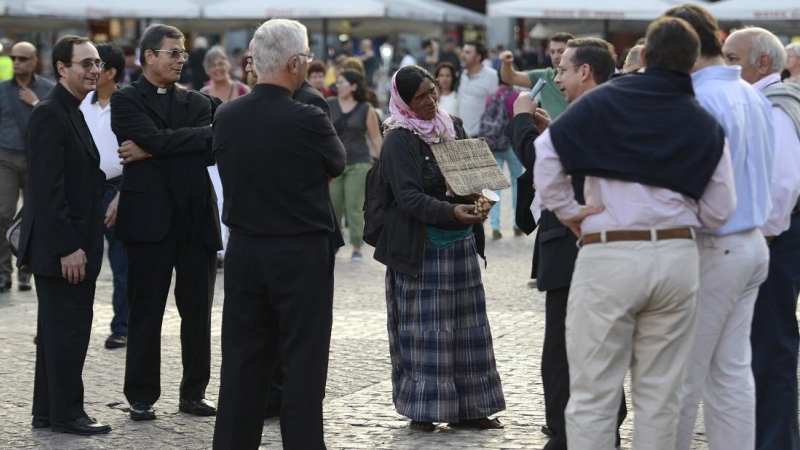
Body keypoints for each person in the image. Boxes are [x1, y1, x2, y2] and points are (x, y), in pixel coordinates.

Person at [534, 18, 737, 449]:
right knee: (661, 396)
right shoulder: (702, 119)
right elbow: (721, 211)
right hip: (677, 257)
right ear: (692, 63)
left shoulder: (601, 102)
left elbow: (545, 152)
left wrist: (569, 210)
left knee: (593, 393)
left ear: (643, 56)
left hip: (610, 253)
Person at [212, 18, 345, 450]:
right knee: (303, 365)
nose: (308, 65)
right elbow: (336, 164)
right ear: (293, 63)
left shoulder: (228, 114)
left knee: (242, 363)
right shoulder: (308, 117)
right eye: (306, 58)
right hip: (299, 252)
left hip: (246, 251)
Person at [659, 7, 774, 450]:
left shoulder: (703, 100)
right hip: (749, 244)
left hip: (714, 244)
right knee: (730, 374)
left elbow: (692, 187)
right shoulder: (751, 95)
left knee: (684, 375)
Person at [508, 37, 627, 450]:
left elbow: (546, 167)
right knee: (589, 345)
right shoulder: (602, 109)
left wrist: (521, 121)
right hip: (589, 246)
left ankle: (565, 436)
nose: (556, 76)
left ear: (585, 72)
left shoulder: (593, 110)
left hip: (575, 245)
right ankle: (597, 429)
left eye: (562, 69)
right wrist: (551, 131)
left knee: (563, 349)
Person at [375, 65, 506, 432]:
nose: (431, 101)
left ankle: (474, 408)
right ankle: (424, 408)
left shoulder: (454, 126)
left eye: (433, 92)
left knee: (469, 328)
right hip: (422, 248)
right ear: (404, 101)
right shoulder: (399, 139)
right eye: (420, 97)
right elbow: (408, 197)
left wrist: (480, 195)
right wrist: (451, 210)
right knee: (426, 331)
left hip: (460, 244)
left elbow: (473, 176)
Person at [111, 23, 221, 421]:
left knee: (198, 313)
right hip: (148, 221)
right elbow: (164, 139)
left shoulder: (199, 100)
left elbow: (214, 143)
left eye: (183, 53)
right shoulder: (126, 100)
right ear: (149, 57)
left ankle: (194, 393)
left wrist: (155, 148)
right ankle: (141, 395)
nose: (181, 59)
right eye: (173, 52)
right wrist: (180, 142)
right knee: (146, 311)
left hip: (195, 219)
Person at [17, 34, 111, 436]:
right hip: (64, 249)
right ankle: (67, 414)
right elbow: (46, 190)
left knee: (59, 332)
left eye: (96, 63)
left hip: (71, 243)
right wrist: (69, 248)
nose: (94, 69)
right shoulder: (50, 112)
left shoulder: (70, 108)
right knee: (67, 333)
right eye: (85, 63)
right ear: (61, 68)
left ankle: (48, 411)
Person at [722, 27, 800, 450]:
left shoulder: (774, 105)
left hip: (777, 237)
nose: (725, 66)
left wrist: (764, 237)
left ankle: (775, 442)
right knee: (766, 345)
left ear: (763, 63)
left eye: (732, 58)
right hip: (779, 234)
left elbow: (784, 182)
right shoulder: (774, 99)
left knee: (771, 347)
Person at [79, 42, 131, 350]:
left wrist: (122, 194)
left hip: (117, 190)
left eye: (95, 65)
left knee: (121, 264)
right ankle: (73, 323)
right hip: (85, 189)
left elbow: (140, 152)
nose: (90, 71)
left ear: (110, 72)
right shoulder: (81, 101)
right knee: (77, 261)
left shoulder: (128, 103)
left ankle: (121, 326)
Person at [0, 41, 54, 293]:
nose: (17, 62)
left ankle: (26, 269)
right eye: (14, 58)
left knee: (33, 216)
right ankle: (3, 271)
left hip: (37, 160)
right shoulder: (1, 89)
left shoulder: (47, 89)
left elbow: (56, 122)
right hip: (6, 158)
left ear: (34, 61)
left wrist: (35, 103)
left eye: (22, 58)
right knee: (3, 214)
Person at [200, 45, 251, 268]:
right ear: (206, 69)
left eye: (221, 63)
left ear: (228, 65)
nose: (218, 68)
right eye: (213, 65)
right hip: (212, 156)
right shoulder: (202, 95)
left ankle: (235, 247)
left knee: (238, 200)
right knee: (218, 201)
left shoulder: (242, 91)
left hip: (238, 153)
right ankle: (221, 251)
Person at [329, 69, 382, 261]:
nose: (338, 86)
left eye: (342, 83)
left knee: (354, 206)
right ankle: (333, 243)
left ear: (353, 86)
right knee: (332, 206)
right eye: (337, 83)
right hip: (334, 165)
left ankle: (357, 247)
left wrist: (384, 162)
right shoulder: (330, 104)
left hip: (359, 163)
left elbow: (375, 137)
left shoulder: (366, 108)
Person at [499, 32, 574, 121]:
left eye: (560, 51)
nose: (555, 56)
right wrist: (506, 63)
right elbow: (510, 78)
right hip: (549, 133)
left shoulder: (581, 77)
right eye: (552, 52)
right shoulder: (544, 75)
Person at [482, 73, 522, 239]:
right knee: (516, 182)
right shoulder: (516, 96)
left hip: (493, 145)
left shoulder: (491, 97)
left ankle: (495, 226)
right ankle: (517, 223)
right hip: (511, 145)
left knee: (495, 186)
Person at [456, 41, 498, 137]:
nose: (462, 55)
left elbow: (496, 106)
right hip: (459, 134)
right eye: (463, 51)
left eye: (467, 52)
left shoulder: (492, 76)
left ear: (478, 57)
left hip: (481, 135)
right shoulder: (461, 74)